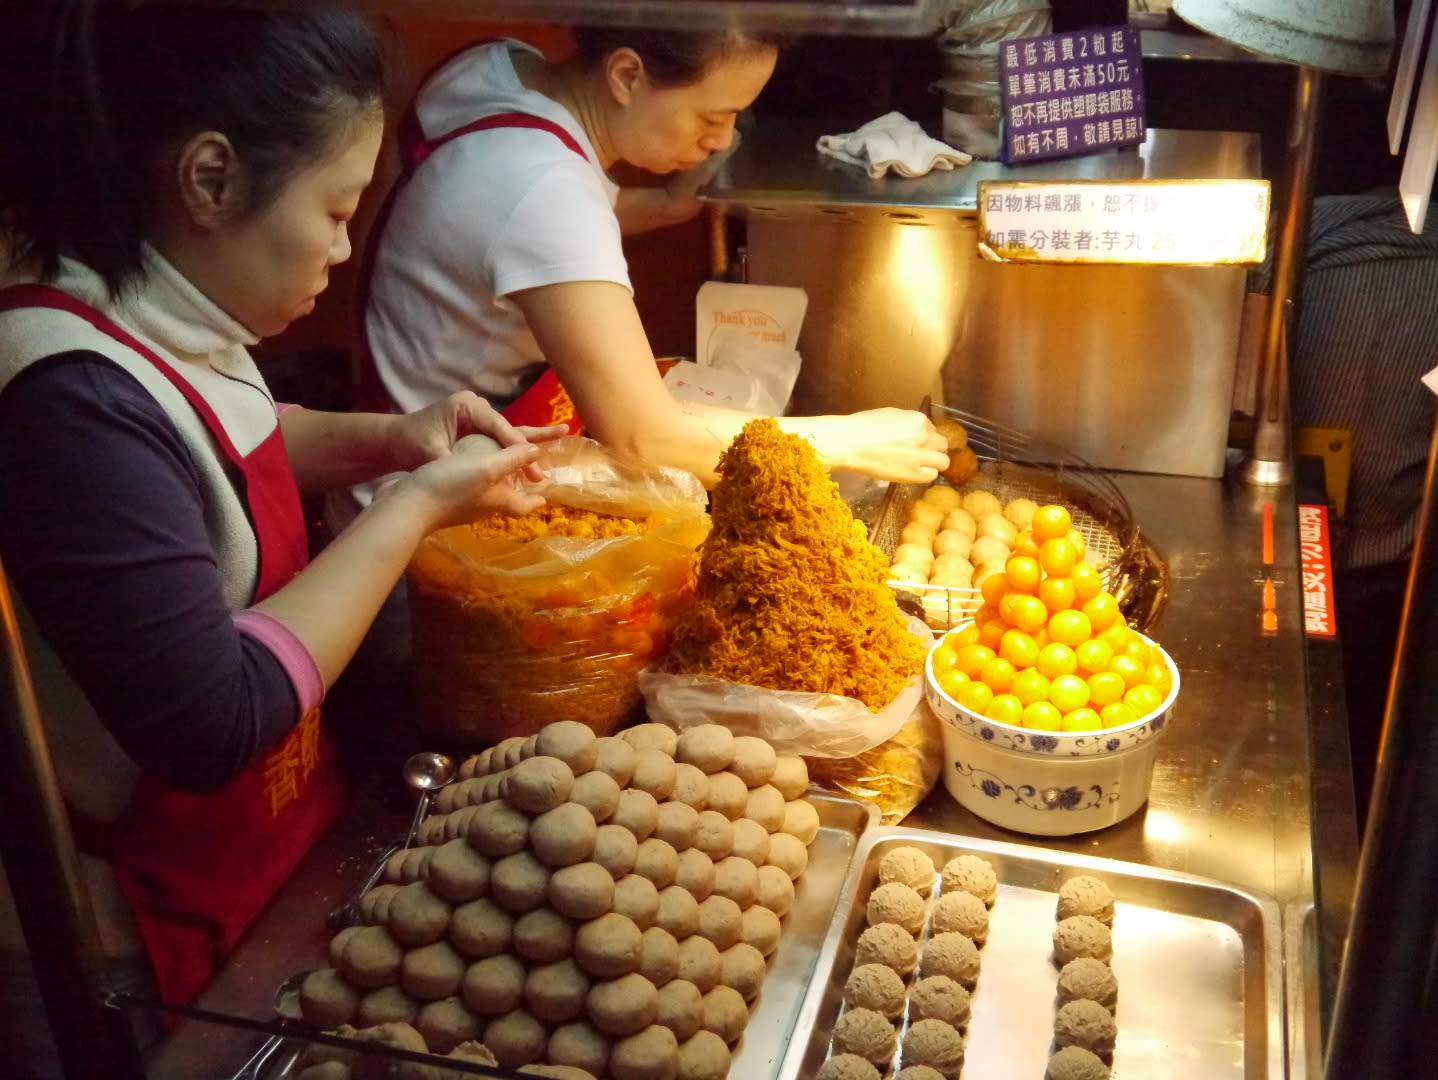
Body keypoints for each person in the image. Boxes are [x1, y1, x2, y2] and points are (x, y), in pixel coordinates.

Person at [0, 4, 561, 1074]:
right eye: (339, 209)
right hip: (135, 935)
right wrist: (413, 508)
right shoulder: (62, 395)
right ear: (211, 180)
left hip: (261, 865)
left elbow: (220, 447)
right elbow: (212, 716)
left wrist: (396, 441)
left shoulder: (155, 307)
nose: (346, 247)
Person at [348, 26, 950, 502]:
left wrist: (663, 205)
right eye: (711, 117)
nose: (721, 139)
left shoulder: (501, 66)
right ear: (627, 74)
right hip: (416, 526)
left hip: (399, 453)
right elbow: (645, 436)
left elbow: (512, 233)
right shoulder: (542, 188)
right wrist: (851, 439)